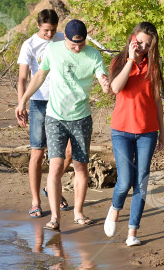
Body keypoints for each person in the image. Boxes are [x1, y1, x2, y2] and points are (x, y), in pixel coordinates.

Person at [15, 19, 110, 231]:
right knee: (56, 166)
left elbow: (102, 79)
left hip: (81, 117)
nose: (77, 48)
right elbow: (40, 74)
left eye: (81, 44)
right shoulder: (53, 49)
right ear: (64, 38)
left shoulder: (93, 54)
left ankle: (78, 212)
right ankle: (55, 218)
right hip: (55, 117)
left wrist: (105, 82)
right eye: (73, 44)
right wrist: (23, 101)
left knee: (80, 166)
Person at [103, 22, 164, 246]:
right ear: (132, 39)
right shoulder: (118, 62)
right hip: (121, 131)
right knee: (125, 180)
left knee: (141, 182)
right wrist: (130, 60)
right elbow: (116, 88)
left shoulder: (154, 66)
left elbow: (157, 101)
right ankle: (115, 208)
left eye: (146, 45)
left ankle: (132, 233)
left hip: (147, 131)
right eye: (139, 42)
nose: (141, 47)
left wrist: (162, 133)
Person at [17, 9, 74, 219]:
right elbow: (23, 78)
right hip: (39, 102)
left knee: (68, 152)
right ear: (38, 27)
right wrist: (21, 103)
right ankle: (35, 202)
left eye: (53, 30)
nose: (50, 35)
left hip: (62, 102)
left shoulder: (62, 39)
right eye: (46, 30)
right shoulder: (29, 45)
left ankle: (51, 187)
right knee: (38, 153)